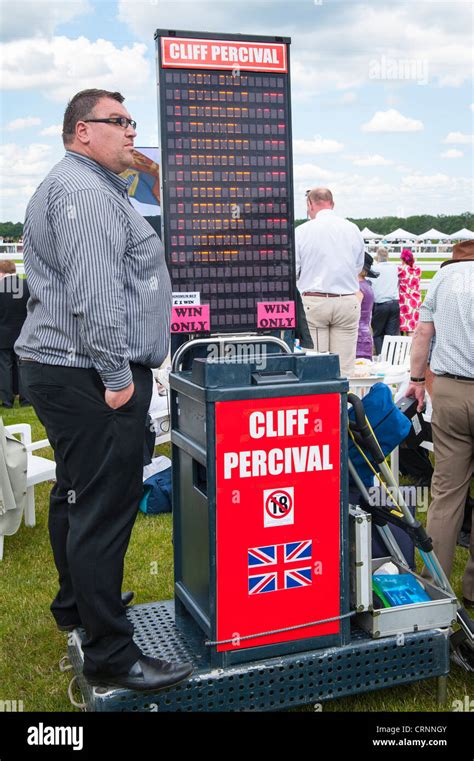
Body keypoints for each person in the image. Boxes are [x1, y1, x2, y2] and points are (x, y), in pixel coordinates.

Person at [16, 88, 192, 691]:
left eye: (132, 122)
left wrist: (150, 172)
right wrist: (118, 379)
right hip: (92, 373)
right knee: (104, 512)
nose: (130, 133)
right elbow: (95, 295)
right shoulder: (87, 193)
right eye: (118, 122)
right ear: (80, 130)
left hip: (69, 369)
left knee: (75, 495)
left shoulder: (90, 185)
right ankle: (113, 656)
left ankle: (80, 606)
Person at [406, 239, 474, 608]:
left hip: (448, 390)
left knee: (446, 493)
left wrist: (417, 380)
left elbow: (422, 334)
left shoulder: (442, 279)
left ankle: (435, 586)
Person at [295, 187, 364, 376]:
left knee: (316, 369)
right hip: (347, 300)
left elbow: (294, 270)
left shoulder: (302, 231)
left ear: (310, 204)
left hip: (315, 300)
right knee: (344, 370)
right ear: (332, 204)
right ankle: (343, 403)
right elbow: (358, 266)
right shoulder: (352, 229)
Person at [0, 260, 30, 407]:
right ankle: (25, 400)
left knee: (4, 367)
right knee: (22, 366)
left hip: (3, 333)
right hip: (24, 332)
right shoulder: (27, 285)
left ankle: (6, 401)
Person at [368, 247, 400, 355]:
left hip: (381, 304)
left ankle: (381, 356)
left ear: (378, 257)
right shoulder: (394, 267)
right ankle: (391, 358)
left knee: (378, 334)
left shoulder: (374, 269)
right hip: (394, 303)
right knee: (391, 335)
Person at [356, 252, 378, 359]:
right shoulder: (366, 284)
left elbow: (353, 311)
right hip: (365, 333)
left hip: (358, 336)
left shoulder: (358, 288)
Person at [398, 247, 421, 334]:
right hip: (416, 300)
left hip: (405, 301)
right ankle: (411, 347)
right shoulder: (418, 269)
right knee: (411, 328)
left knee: (405, 327)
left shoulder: (402, 269)